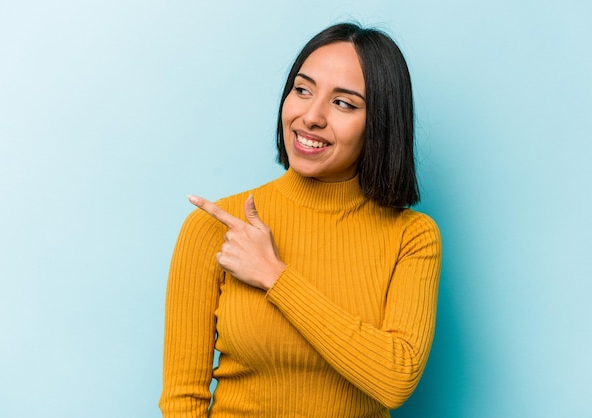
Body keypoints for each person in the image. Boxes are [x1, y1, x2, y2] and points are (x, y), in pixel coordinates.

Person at [159, 22, 441, 418]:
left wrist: (274, 275)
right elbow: (182, 401)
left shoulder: (412, 237)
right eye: (302, 89)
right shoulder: (217, 228)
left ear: (378, 123)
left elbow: (395, 379)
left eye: (344, 103)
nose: (311, 116)